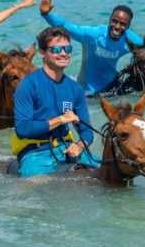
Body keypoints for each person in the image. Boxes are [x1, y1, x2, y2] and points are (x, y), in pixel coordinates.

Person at [12, 26, 99, 178]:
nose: (64, 53)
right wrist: (60, 119)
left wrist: (79, 146)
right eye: (57, 50)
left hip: (65, 148)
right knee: (36, 186)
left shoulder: (75, 88)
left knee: (107, 172)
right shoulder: (28, 85)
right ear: (42, 53)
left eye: (68, 49)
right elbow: (23, 128)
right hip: (35, 153)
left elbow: (87, 132)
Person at [38, 0, 144, 95]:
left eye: (122, 24)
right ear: (109, 20)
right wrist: (46, 14)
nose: (117, 26)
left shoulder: (131, 40)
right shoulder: (93, 35)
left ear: (128, 26)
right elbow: (67, 26)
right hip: (86, 90)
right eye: (114, 21)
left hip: (113, 87)